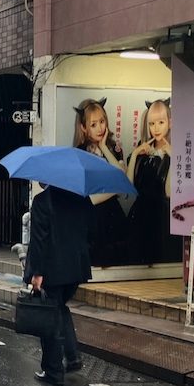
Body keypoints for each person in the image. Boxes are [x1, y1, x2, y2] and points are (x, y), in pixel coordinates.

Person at [24, 184, 95, 386]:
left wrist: (36, 273)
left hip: (51, 270)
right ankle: (72, 357)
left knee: (50, 318)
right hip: (76, 268)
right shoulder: (81, 198)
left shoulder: (41, 202)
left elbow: (38, 241)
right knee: (59, 308)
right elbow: (93, 228)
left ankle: (53, 371)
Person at [73, 98, 129, 266]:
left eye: (102, 121)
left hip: (112, 213)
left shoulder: (115, 147)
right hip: (90, 215)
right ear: (83, 127)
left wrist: (104, 147)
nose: (100, 128)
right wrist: (114, 186)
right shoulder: (79, 153)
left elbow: (121, 179)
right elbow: (86, 193)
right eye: (93, 124)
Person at [127, 99, 179, 264]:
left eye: (161, 122)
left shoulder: (176, 152)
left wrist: (174, 158)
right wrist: (135, 155)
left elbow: (169, 192)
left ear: (170, 123)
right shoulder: (141, 153)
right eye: (152, 124)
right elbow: (127, 188)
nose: (156, 128)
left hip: (163, 218)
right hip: (141, 216)